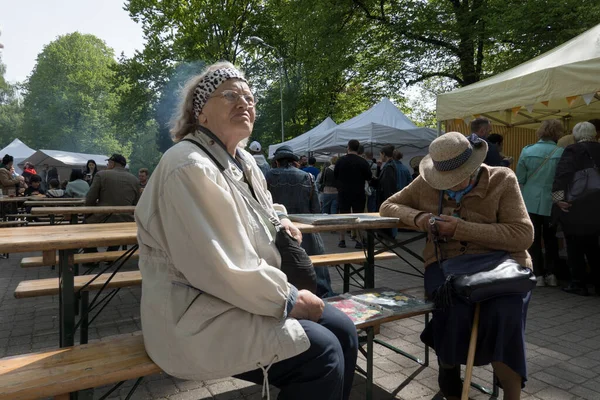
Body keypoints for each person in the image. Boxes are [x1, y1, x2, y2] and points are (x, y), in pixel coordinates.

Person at [134, 61, 358, 399]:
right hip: (195, 315)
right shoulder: (188, 164)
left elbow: (262, 207)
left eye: (250, 98)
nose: (244, 103)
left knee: (344, 329)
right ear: (201, 114)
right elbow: (220, 265)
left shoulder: (243, 160)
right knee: (322, 352)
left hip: (238, 299)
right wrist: (291, 299)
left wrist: (280, 219)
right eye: (229, 95)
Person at [381, 132, 534, 400]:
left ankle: (511, 392)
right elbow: (387, 205)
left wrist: (462, 229)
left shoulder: (502, 179)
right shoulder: (427, 181)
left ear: (474, 166)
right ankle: (449, 368)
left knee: (504, 313)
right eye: (443, 182)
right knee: (450, 306)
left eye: (455, 179)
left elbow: (523, 234)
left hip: (501, 266)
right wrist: (420, 218)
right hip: (447, 264)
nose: (448, 187)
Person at [266, 145, 336, 298]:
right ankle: (323, 295)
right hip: (306, 233)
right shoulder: (307, 177)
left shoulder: (267, 176)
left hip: (278, 234)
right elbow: (316, 210)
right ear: (294, 161)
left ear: (277, 161)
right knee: (318, 270)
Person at [552, 121, 600, 296]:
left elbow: (562, 175)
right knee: (594, 246)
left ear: (576, 134)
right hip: (597, 206)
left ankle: (578, 283)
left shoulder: (573, 150)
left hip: (576, 205)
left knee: (574, 246)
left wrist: (558, 199)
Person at [516, 120, 564, 287]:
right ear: (558, 133)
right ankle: (552, 275)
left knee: (533, 239)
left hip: (529, 201)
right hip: (552, 201)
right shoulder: (561, 152)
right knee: (551, 239)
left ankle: (538, 275)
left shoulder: (527, 150)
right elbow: (562, 180)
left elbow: (520, 178)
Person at [334, 139, 372, 248]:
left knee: (343, 215)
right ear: (358, 148)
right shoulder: (363, 162)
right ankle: (359, 240)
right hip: (358, 192)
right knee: (359, 216)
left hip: (343, 192)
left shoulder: (340, 161)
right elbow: (369, 177)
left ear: (348, 147)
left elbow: (336, 175)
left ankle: (342, 240)